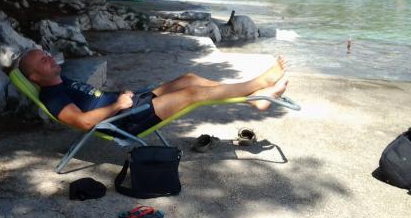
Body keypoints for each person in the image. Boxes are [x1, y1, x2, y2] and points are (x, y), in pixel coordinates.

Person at [18, 49, 288, 134]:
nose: (49, 58)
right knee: (192, 93)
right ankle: (258, 83)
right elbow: (83, 121)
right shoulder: (53, 97)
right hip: (125, 120)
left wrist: (118, 96)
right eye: (43, 61)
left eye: (46, 55)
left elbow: (91, 99)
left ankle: (253, 100)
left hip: (130, 103)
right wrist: (117, 105)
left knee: (189, 78)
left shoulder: (61, 80)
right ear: (35, 77)